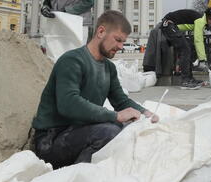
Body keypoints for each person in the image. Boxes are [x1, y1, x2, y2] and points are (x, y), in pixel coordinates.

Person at [32, 10, 159, 169]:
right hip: (51, 140)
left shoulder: (108, 68)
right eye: (118, 40)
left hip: (77, 132)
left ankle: (88, 172)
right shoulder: (72, 60)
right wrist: (115, 115)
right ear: (101, 32)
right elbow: (68, 104)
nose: (120, 46)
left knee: (126, 129)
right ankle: (77, 178)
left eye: (123, 42)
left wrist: (145, 113)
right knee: (109, 131)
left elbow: (121, 100)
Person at [161, 8, 211, 89]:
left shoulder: (201, 20)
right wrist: (202, 60)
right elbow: (198, 40)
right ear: (210, 18)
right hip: (168, 24)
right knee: (185, 49)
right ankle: (185, 81)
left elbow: (197, 39)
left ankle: (189, 78)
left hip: (171, 25)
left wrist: (202, 57)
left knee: (189, 48)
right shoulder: (200, 20)